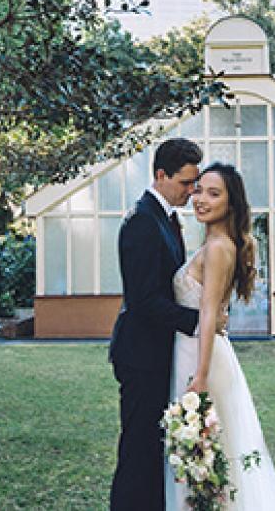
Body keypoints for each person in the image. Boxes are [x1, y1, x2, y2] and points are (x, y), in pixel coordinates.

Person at [109, 138, 227, 511]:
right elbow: (144, 301)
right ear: (160, 175)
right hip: (141, 356)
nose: (192, 192)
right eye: (185, 183)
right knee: (138, 451)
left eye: (196, 183)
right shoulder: (143, 221)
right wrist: (200, 321)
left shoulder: (165, 218)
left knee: (154, 451)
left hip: (160, 353)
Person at [166, 162, 275, 510]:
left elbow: (207, 312)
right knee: (205, 453)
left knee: (207, 453)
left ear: (231, 204)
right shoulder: (215, 243)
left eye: (213, 193)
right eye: (199, 190)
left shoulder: (219, 247)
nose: (201, 199)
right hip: (195, 349)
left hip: (199, 356)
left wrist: (201, 375)